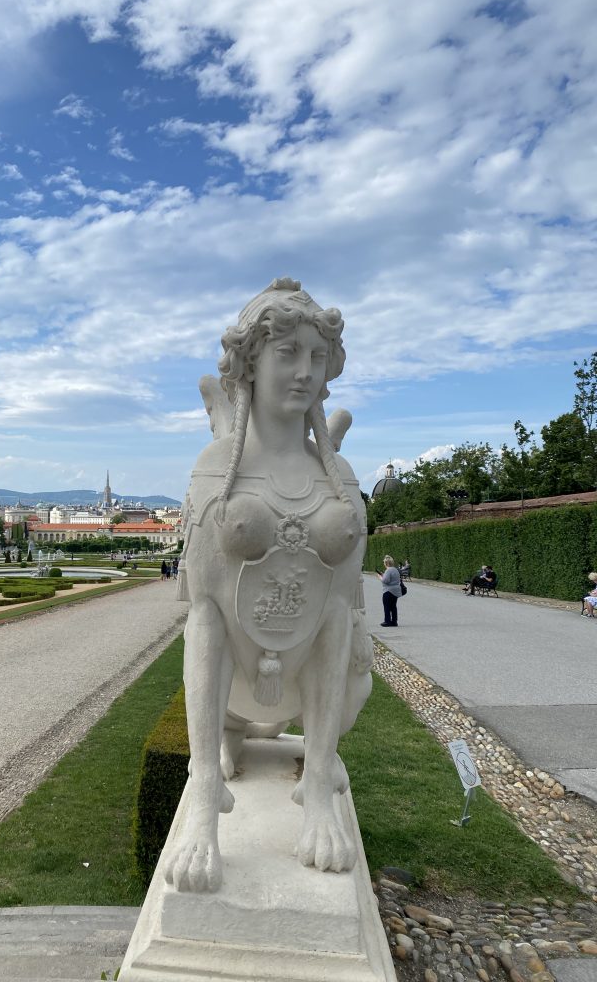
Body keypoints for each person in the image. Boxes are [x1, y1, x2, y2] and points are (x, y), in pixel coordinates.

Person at [165, 277, 370, 894]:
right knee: (203, 617)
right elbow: (202, 610)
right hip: (235, 689)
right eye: (287, 353)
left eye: (315, 354)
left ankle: (318, 781)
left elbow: (344, 607)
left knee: (344, 626)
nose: (305, 370)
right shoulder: (214, 471)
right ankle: (206, 791)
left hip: (306, 672)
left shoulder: (338, 476)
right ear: (251, 362)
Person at [376, 554, 402, 626]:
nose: (384, 564)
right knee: (393, 606)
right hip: (396, 591)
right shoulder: (395, 570)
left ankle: (387, 621)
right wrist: (383, 574)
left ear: (386, 563)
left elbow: (385, 581)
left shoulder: (388, 570)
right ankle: (394, 621)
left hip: (388, 591)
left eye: (384, 563)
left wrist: (380, 577)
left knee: (387, 606)